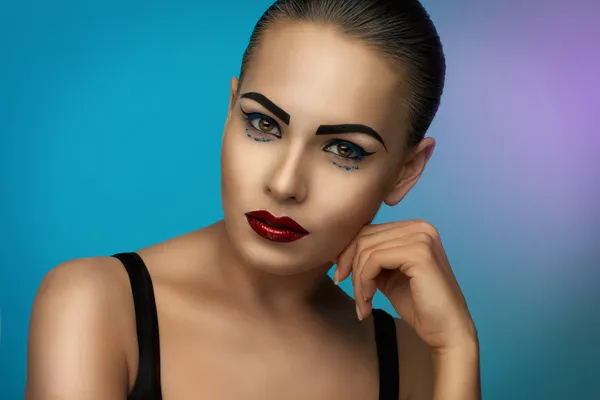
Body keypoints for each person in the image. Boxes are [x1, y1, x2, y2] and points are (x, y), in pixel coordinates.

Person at [26, 0, 480, 399]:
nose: (284, 184)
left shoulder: (414, 363)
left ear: (406, 172)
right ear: (230, 107)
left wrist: (458, 349)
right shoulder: (96, 304)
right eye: (264, 124)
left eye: (344, 150)